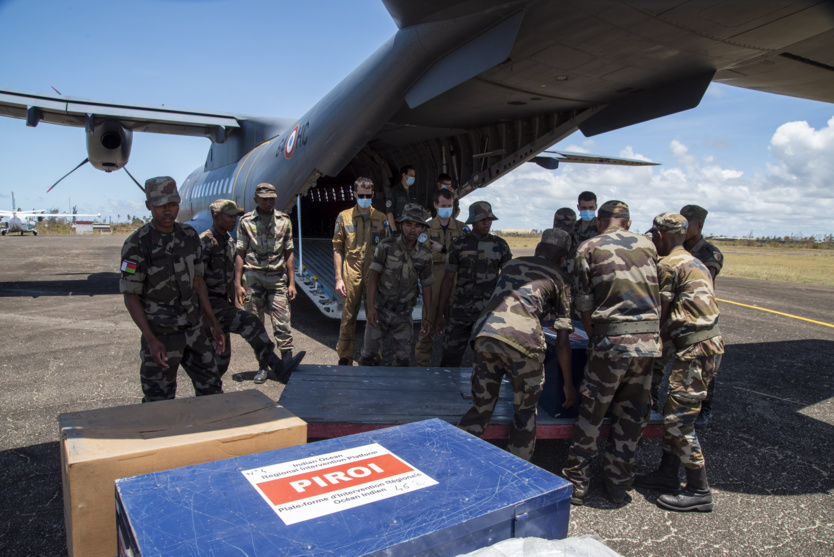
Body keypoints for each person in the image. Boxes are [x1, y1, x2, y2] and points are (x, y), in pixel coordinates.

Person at [562, 200, 661, 506]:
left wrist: (596, 338)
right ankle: (618, 483)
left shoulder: (589, 248)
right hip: (646, 347)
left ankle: (577, 482)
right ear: (628, 223)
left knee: (592, 413)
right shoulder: (649, 247)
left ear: (600, 222)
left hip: (610, 343)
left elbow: (584, 303)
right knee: (631, 416)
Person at [458, 229, 576, 461]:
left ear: (537, 249)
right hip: (523, 342)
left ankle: (458, 457)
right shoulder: (561, 278)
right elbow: (562, 342)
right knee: (524, 414)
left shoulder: (513, 264)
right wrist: (568, 384)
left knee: (481, 408)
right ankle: (516, 469)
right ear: (563, 258)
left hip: (486, 334)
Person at [636, 212, 723, 512]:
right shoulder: (694, 261)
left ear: (659, 236)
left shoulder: (668, 266)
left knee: (679, 420)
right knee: (676, 411)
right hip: (704, 346)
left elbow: (658, 315)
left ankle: (699, 489)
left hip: (695, 349)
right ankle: (667, 475)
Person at [120, 176, 225, 402]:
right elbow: (130, 296)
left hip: (194, 329)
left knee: (212, 390)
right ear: (149, 205)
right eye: (161, 206)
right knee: (159, 401)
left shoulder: (188, 236)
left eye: (173, 204)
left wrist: (213, 323)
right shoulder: (138, 244)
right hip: (162, 334)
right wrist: (150, 339)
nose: (168, 211)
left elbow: (198, 282)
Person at [199, 199, 284, 382]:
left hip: (222, 304)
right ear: (215, 216)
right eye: (229, 216)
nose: (234, 220)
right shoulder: (205, 242)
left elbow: (229, 276)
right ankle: (275, 364)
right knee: (250, 322)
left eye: (235, 216)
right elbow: (195, 282)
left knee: (221, 359)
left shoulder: (229, 242)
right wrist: (206, 317)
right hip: (207, 305)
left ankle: (211, 390)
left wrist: (234, 299)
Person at [234, 183, 304, 381]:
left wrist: (292, 282)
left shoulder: (284, 220)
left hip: (277, 278)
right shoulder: (246, 221)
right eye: (264, 199)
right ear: (256, 199)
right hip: (253, 277)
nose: (268, 202)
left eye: (272, 198)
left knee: (283, 322)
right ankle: (263, 366)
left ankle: (287, 363)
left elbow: (289, 252)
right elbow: (240, 253)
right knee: (256, 326)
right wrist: (238, 284)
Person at [435, 201, 512, 367]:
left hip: (487, 311)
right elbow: (448, 280)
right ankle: (446, 390)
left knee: (487, 360)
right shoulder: (459, 245)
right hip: (461, 309)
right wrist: (440, 313)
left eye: (489, 218)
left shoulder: (500, 246)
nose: (486, 222)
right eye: (482, 219)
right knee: (450, 355)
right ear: (472, 221)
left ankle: (481, 392)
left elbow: (507, 281)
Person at [358, 204, 434, 366]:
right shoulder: (386, 246)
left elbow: (427, 286)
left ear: (422, 228)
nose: (413, 229)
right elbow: (373, 277)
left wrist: (427, 317)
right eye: (408, 224)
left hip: (404, 315)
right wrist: (370, 308)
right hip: (380, 310)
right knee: (368, 358)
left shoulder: (425, 254)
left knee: (403, 361)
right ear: (401, 225)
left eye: (418, 225)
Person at [332, 177, 387, 366]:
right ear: (355, 194)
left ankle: (373, 356)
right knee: (348, 317)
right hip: (351, 273)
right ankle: (345, 356)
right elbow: (337, 247)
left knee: (374, 316)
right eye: (361, 195)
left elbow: (388, 249)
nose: (364, 198)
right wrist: (339, 278)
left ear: (372, 195)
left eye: (367, 195)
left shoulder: (381, 219)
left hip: (374, 275)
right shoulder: (344, 217)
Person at [681, 204, 723, 427]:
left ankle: (704, 409)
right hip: (676, 315)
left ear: (699, 224)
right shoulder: (675, 247)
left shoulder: (708, 252)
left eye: (688, 222)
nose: (683, 226)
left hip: (700, 317)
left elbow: (705, 279)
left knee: (704, 368)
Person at [414, 189, 466, 366]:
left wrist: (443, 250)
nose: (446, 209)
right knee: (427, 327)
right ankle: (421, 368)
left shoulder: (462, 228)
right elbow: (423, 255)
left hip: (456, 285)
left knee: (454, 332)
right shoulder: (426, 228)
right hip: (434, 284)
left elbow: (464, 256)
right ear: (435, 205)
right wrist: (451, 253)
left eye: (450, 206)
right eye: (443, 206)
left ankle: (450, 370)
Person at [386, 165, 419, 236]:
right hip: (398, 230)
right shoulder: (394, 191)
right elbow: (389, 212)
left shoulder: (413, 193)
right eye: (411, 175)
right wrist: (394, 230)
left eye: (414, 176)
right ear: (404, 175)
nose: (413, 177)